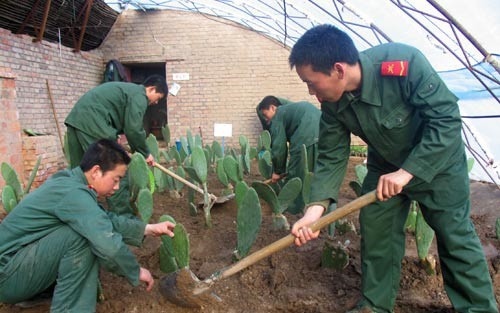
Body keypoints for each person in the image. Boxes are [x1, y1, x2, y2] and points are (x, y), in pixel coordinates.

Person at [288, 24, 498, 313]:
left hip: (439, 165)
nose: (311, 92)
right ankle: (374, 306)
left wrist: (407, 171)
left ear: (338, 69)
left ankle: (478, 309)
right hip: (385, 167)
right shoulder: (333, 104)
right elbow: (331, 156)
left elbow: (446, 119)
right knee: (377, 233)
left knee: (455, 239)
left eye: (312, 82)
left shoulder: (402, 64)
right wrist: (314, 211)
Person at [0, 139, 176, 312]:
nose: (116, 187)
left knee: (87, 229)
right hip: (7, 277)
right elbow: (106, 243)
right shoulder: (74, 193)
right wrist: (135, 270)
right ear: (96, 171)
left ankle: (37, 293)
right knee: (82, 237)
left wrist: (147, 228)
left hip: (14, 268)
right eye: (116, 179)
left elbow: (102, 220)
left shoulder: (71, 183)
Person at [65, 75, 168, 215]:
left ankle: (74, 210)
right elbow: (133, 129)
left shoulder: (128, 91)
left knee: (80, 170)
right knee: (116, 169)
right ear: (151, 89)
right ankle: (123, 217)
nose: (156, 103)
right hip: (93, 121)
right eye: (159, 97)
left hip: (76, 119)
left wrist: (114, 136)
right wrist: (145, 153)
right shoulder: (140, 95)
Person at [257, 95, 321, 213]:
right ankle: (316, 202)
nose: (267, 120)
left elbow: (279, 147)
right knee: (314, 171)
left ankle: (293, 207)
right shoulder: (290, 109)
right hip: (322, 130)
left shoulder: (278, 114)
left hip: (305, 133)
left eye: (266, 115)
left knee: (296, 171)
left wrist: (278, 171)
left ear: (273, 108)